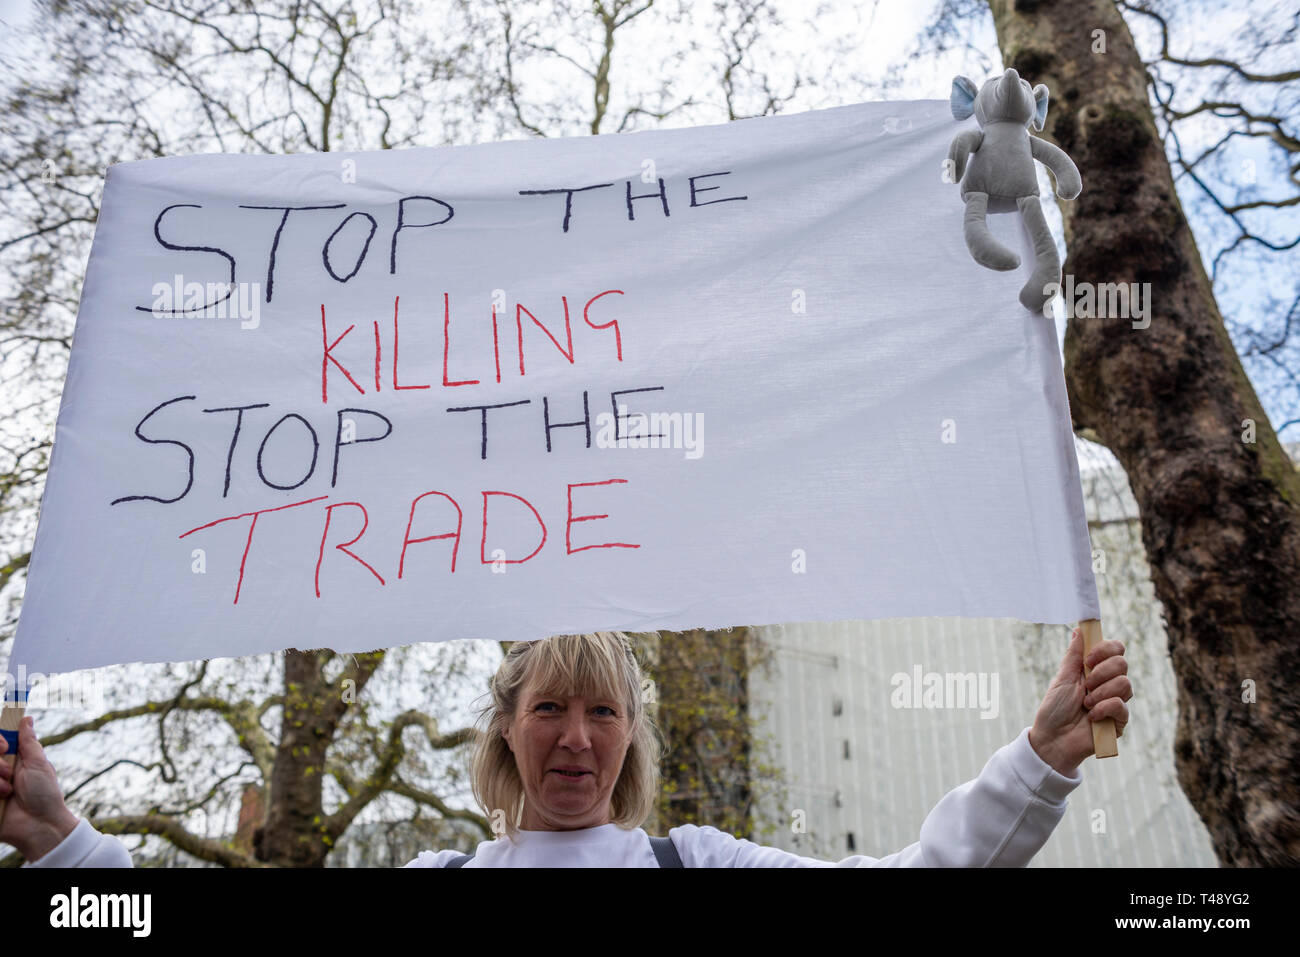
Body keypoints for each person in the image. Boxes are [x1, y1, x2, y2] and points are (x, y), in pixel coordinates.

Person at [1, 627, 1131, 867]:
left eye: (601, 713)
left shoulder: (700, 866)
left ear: (631, 736)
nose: (576, 740)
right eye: (549, 710)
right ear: (504, 730)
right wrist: (63, 844)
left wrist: (1039, 756)